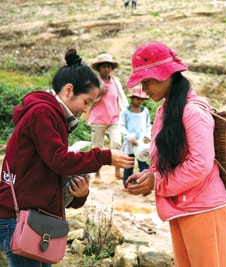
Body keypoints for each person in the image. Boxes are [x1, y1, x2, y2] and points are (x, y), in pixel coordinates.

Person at [0, 49, 134, 267]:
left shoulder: (56, 118)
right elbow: (59, 161)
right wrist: (105, 156)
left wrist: (79, 194)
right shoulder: (43, 113)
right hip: (19, 217)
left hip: (38, 217)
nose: (86, 108)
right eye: (87, 101)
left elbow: (54, 173)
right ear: (69, 90)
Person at [123, 41, 226, 267]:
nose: (143, 89)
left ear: (166, 76)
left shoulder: (193, 112)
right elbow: (163, 156)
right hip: (182, 206)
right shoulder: (166, 110)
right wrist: (149, 175)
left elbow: (200, 164)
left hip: (204, 207)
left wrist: (157, 181)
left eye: (147, 81)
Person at [88, 53, 129, 182]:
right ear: (99, 68)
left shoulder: (115, 82)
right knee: (97, 148)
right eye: (104, 67)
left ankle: (117, 171)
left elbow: (121, 99)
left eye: (108, 67)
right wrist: (98, 93)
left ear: (111, 68)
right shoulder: (94, 82)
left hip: (114, 118)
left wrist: (126, 113)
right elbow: (88, 99)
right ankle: (97, 174)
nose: (106, 69)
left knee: (117, 143)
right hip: (98, 119)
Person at [119, 85, 151, 188]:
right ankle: (127, 185)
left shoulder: (145, 111)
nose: (139, 101)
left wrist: (147, 136)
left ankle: (144, 184)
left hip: (141, 143)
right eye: (137, 98)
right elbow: (121, 126)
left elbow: (148, 125)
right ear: (132, 98)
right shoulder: (125, 112)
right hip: (130, 143)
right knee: (129, 165)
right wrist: (129, 137)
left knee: (144, 164)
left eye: (141, 99)